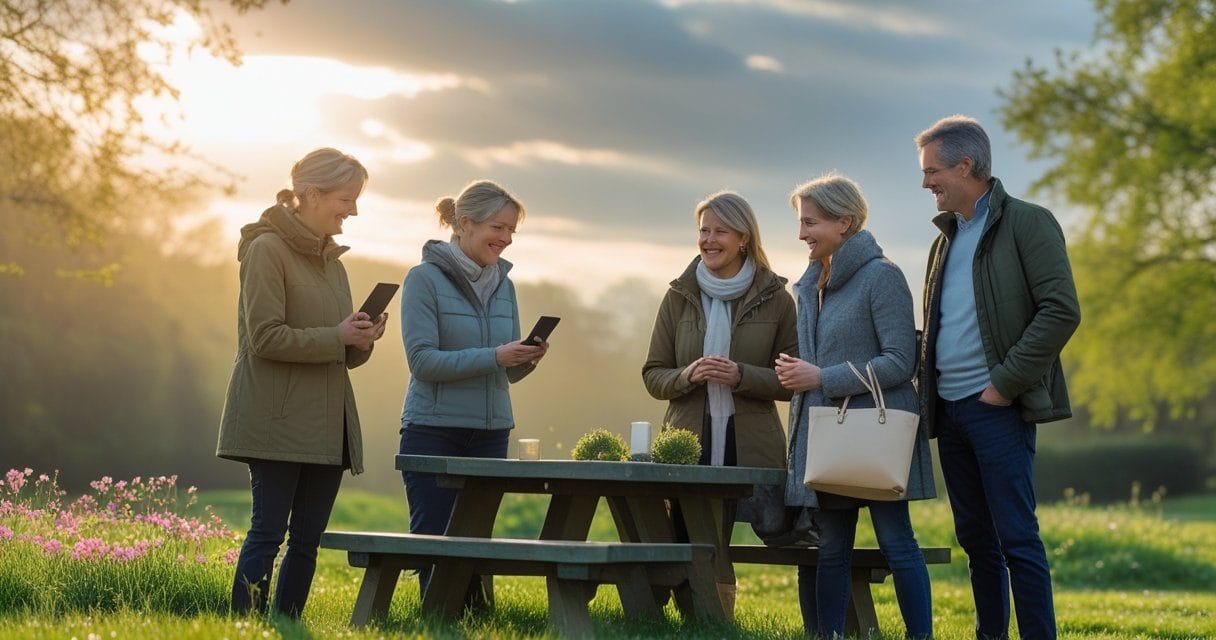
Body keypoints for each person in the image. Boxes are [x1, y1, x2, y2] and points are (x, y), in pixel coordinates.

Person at [915, 115, 1080, 640]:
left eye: (932, 171)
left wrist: (1002, 385)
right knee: (976, 543)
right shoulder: (943, 242)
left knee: (1017, 540)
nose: (926, 183)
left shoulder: (1029, 222)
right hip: (951, 410)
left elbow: (1060, 311)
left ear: (966, 166)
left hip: (997, 408)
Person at [217, 148, 386, 618]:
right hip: (276, 419)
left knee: (307, 541)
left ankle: (287, 624)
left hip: (327, 422)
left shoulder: (335, 264)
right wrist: (337, 335)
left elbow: (339, 352)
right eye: (346, 198)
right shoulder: (265, 250)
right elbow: (265, 337)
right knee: (268, 534)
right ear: (311, 194)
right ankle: (246, 625)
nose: (353, 210)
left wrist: (361, 340)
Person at [775, 173, 935, 639]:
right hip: (828, 437)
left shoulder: (881, 276)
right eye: (801, 223)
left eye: (811, 222)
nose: (802, 233)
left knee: (897, 543)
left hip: (873, 437)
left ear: (844, 222)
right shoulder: (812, 284)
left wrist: (822, 377)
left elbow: (901, 361)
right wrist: (797, 372)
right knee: (831, 550)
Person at [642, 190, 798, 616]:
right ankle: (694, 615)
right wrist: (687, 374)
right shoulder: (677, 297)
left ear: (744, 238)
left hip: (747, 440)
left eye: (720, 231)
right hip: (687, 437)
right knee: (681, 527)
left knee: (717, 529)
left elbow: (794, 381)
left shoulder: (778, 299)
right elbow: (653, 375)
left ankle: (710, 616)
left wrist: (741, 376)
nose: (709, 240)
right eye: (703, 230)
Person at [399, 179, 547, 605]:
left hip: (490, 432)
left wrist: (526, 358)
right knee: (434, 538)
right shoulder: (423, 280)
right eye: (497, 228)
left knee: (476, 538)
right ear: (465, 223)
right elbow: (423, 362)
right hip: (433, 429)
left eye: (511, 232)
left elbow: (505, 371)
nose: (504, 239)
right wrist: (496, 356)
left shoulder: (506, 284)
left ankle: (479, 619)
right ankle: (435, 620)